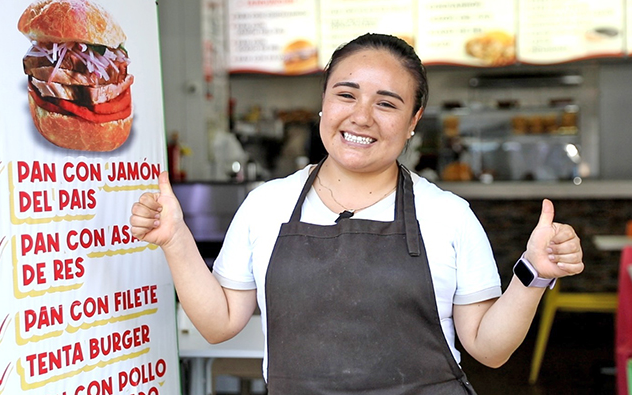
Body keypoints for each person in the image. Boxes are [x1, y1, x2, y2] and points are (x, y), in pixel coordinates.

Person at [130, 33, 584, 394]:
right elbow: (218, 323)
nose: (361, 116)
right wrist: (175, 239)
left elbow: (490, 350)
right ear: (323, 103)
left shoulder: (448, 216)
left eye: (387, 103)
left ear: (413, 122)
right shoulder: (266, 204)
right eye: (346, 95)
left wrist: (534, 275)